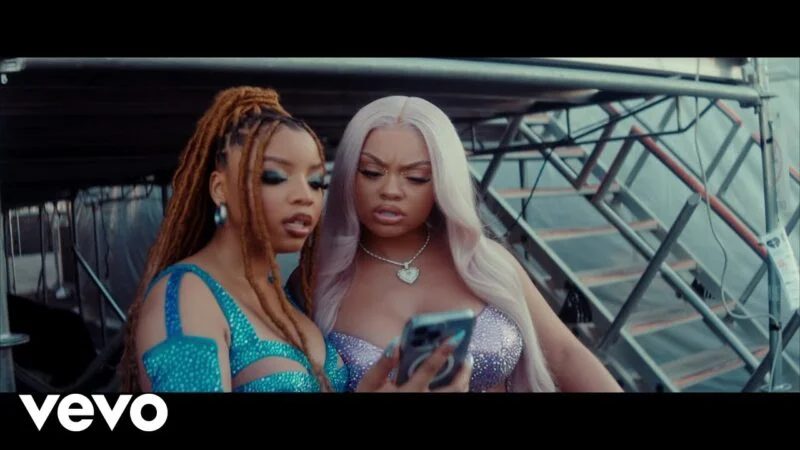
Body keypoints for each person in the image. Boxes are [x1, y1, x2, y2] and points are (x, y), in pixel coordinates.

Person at [118, 87, 471, 393]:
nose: (304, 197)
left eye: (316, 182)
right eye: (275, 176)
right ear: (219, 188)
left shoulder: (286, 296)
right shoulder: (187, 295)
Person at [295, 95, 623, 393]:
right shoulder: (315, 280)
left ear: (442, 182)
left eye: (416, 177)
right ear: (347, 173)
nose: (390, 190)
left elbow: (565, 354)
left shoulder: (486, 262)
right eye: (371, 172)